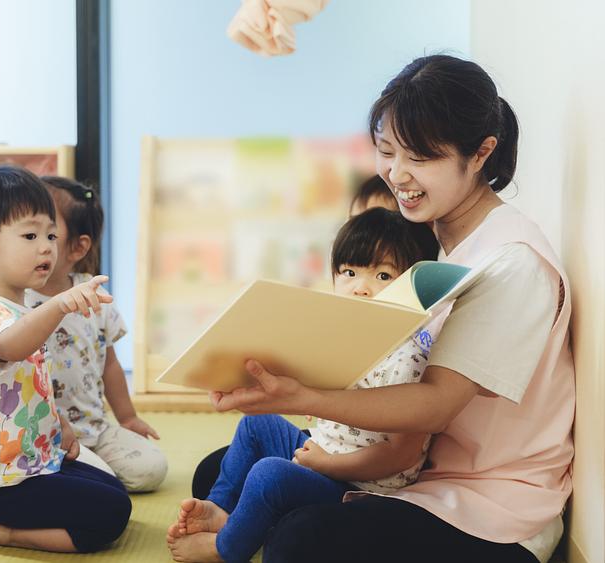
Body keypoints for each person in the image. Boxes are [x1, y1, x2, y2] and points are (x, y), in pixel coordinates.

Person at [209, 55, 574, 563]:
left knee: (298, 535)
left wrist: (303, 394)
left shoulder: (512, 264)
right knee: (223, 466)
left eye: (419, 158)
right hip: (420, 474)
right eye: (385, 151)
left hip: (491, 508)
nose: (396, 174)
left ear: (481, 153)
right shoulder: (439, 244)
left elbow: (436, 404)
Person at [167, 208, 439, 562]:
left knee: (269, 475)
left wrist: (327, 465)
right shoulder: (347, 335)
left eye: (383, 275)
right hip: (323, 452)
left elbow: (400, 456)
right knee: (255, 424)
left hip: (360, 487)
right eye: (349, 272)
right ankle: (218, 511)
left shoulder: (410, 356)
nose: (360, 287)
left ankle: (227, 549)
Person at [0, 165, 132, 553]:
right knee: (113, 513)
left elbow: (28, 384)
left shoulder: (18, 306)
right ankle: (1, 528)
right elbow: (12, 347)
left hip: (33, 463)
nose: (46, 247)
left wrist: (60, 424)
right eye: (30, 235)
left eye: (50, 235)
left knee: (111, 485)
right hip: (3, 482)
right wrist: (59, 305)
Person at [26, 176, 168, 492]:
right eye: (27, 234)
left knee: (152, 469)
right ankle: (78, 474)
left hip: (94, 429)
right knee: (101, 484)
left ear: (78, 247)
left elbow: (110, 365)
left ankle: (80, 472)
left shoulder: (94, 296)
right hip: (39, 434)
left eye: (48, 234)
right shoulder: (16, 300)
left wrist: (127, 418)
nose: (36, 244)